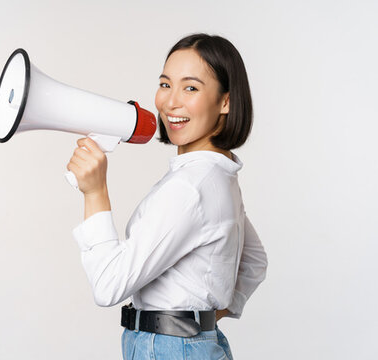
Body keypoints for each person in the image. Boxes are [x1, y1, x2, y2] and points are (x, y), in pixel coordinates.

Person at [66, 33, 268, 359]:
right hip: (194, 344)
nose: (170, 102)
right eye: (164, 84)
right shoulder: (219, 175)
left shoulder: (189, 187)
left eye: (191, 88)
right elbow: (255, 261)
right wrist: (201, 321)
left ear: (226, 101)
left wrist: (95, 191)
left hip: (168, 348)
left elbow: (108, 286)